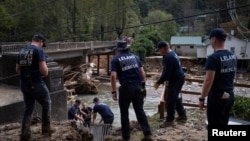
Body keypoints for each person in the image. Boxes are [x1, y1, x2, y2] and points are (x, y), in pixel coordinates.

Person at [110, 41, 153, 141]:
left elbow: (113, 76)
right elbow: (142, 72)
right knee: (140, 110)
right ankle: (147, 134)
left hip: (126, 88)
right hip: (138, 87)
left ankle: (126, 137)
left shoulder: (115, 60)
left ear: (119, 50)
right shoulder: (135, 57)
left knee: (124, 113)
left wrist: (113, 91)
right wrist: (143, 87)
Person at [16, 33, 55, 141]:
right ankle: (46, 129)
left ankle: (25, 133)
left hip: (23, 83)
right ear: (40, 42)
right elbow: (44, 71)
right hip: (36, 82)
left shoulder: (22, 50)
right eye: (43, 44)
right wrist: (45, 73)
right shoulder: (39, 51)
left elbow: (17, 69)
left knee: (29, 108)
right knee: (46, 103)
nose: (42, 46)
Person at [199, 28, 237, 126]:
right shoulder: (233, 55)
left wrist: (202, 98)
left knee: (215, 123)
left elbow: (208, 80)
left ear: (214, 39)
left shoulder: (213, 58)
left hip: (217, 97)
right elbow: (233, 75)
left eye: (210, 39)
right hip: (229, 95)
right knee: (224, 121)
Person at [154, 41, 187, 128]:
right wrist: (161, 80)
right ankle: (182, 115)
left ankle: (170, 121)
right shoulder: (170, 54)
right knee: (175, 97)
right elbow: (165, 70)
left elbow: (167, 73)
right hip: (178, 78)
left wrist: (158, 82)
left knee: (170, 100)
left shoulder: (169, 57)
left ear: (163, 48)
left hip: (176, 80)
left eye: (160, 50)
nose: (160, 52)